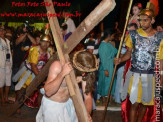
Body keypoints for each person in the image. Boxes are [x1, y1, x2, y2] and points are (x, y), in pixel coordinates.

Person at [114, 8, 163, 122]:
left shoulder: (159, 37)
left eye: (145, 20)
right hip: (135, 75)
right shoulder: (133, 34)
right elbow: (129, 54)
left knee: (145, 105)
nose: (142, 23)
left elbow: (160, 60)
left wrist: (161, 78)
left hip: (150, 76)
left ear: (153, 21)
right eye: (141, 20)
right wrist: (120, 59)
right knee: (134, 104)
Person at [36, 50, 99, 122]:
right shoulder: (58, 66)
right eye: (83, 72)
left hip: (68, 104)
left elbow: (88, 97)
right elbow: (48, 92)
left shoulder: (85, 73)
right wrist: (62, 74)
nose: (84, 74)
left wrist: (86, 113)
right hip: (52, 106)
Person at [13, 29, 53, 115]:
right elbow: (34, 66)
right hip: (29, 73)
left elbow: (50, 63)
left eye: (47, 42)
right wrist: (41, 79)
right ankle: (17, 107)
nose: (45, 44)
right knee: (22, 90)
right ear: (40, 42)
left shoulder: (50, 51)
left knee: (41, 92)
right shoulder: (35, 50)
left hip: (40, 74)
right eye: (43, 42)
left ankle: (40, 110)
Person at [97, 29, 117, 105]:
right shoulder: (102, 45)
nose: (113, 37)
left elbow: (115, 51)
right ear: (109, 36)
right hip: (106, 66)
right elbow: (103, 58)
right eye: (112, 36)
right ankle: (104, 100)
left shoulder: (109, 44)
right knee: (105, 83)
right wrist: (105, 69)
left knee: (112, 82)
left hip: (111, 65)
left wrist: (113, 44)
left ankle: (110, 99)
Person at [0, 25, 13, 106]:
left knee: (8, 82)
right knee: (1, 83)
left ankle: (6, 98)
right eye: (0, 30)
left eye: (3, 30)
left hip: (8, 64)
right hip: (1, 65)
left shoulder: (8, 41)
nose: (1, 32)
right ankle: (2, 99)